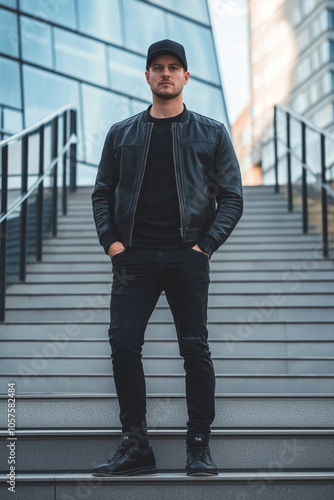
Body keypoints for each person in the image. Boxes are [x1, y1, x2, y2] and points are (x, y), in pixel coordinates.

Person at [91, 39, 243, 477]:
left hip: (186, 255)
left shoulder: (211, 132)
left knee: (194, 350)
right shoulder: (121, 133)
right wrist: (113, 244)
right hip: (133, 257)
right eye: (157, 67)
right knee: (123, 346)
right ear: (147, 76)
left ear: (186, 76)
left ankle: (198, 447)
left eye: (174, 67)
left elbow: (232, 197)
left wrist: (205, 246)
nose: (165, 73)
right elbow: (102, 193)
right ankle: (136, 446)